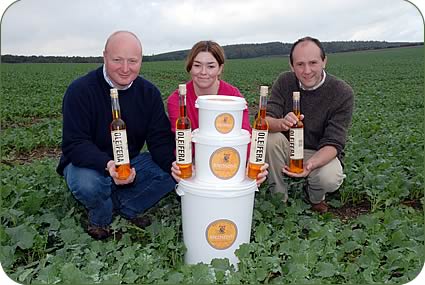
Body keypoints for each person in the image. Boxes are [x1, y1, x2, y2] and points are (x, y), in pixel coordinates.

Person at [56, 31, 176, 240]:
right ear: (104, 56)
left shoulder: (148, 93)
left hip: (128, 163)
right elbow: (75, 144)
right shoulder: (80, 91)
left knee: (172, 170)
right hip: (88, 164)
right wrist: (108, 165)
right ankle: (100, 220)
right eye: (117, 60)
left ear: (141, 60)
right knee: (89, 183)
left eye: (132, 61)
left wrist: (175, 165)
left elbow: (160, 141)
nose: (125, 68)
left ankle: (122, 207)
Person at [265, 36, 354, 213]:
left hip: (319, 151)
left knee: (329, 177)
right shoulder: (285, 82)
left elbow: (334, 143)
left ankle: (315, 197)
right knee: (269, 138)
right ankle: (279, 199)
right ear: (292, 66)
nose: (307, 71)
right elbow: (266, 120)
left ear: (324, 61)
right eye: (300, 64)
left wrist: (310, 165)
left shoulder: (341, 92)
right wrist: (282, 123)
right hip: (288, 148)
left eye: (313, 63)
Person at [167, 40, 268, 185]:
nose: (203, 72)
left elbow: (245, 133)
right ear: (189, 68)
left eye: (210, 66)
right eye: (197, 65)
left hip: (230, 155)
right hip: (196, 158)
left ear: (220, 68)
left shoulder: (233, 97)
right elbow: (183, 141)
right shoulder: (177, 100)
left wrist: (248, 165)